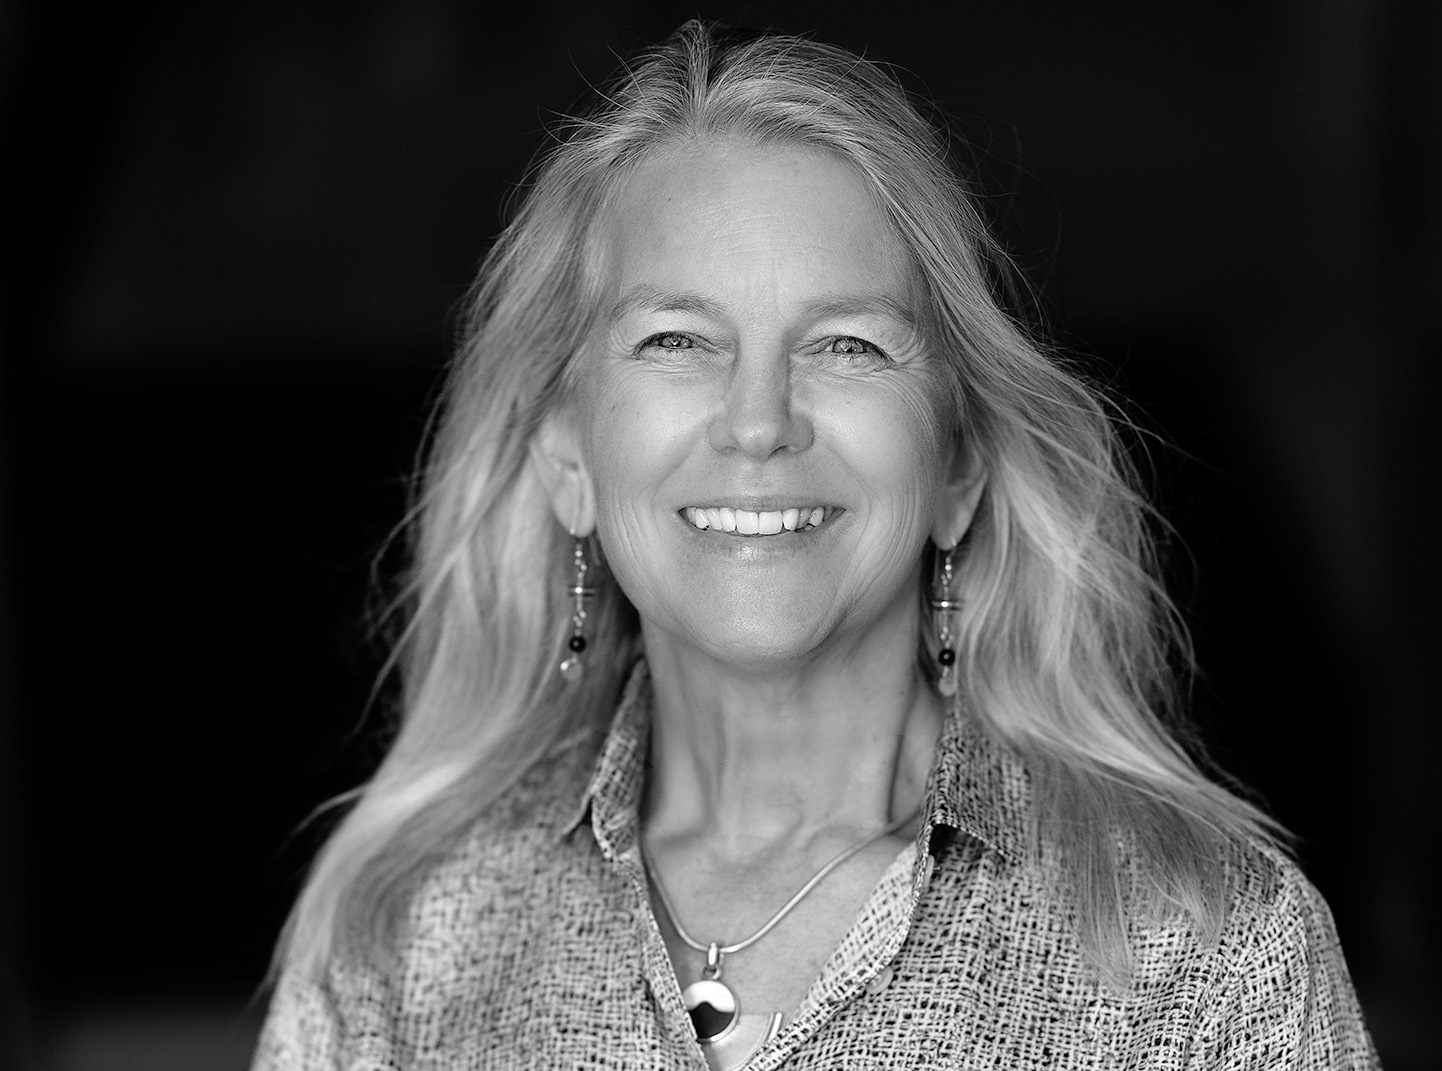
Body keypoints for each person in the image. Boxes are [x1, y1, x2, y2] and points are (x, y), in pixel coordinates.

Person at [253, 21, 1380, 1070]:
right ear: (566, 459)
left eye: (845, 345)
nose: (758, 422)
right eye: (676, 339)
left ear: (956, 466)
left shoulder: (1206, 949)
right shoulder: (408, 931)